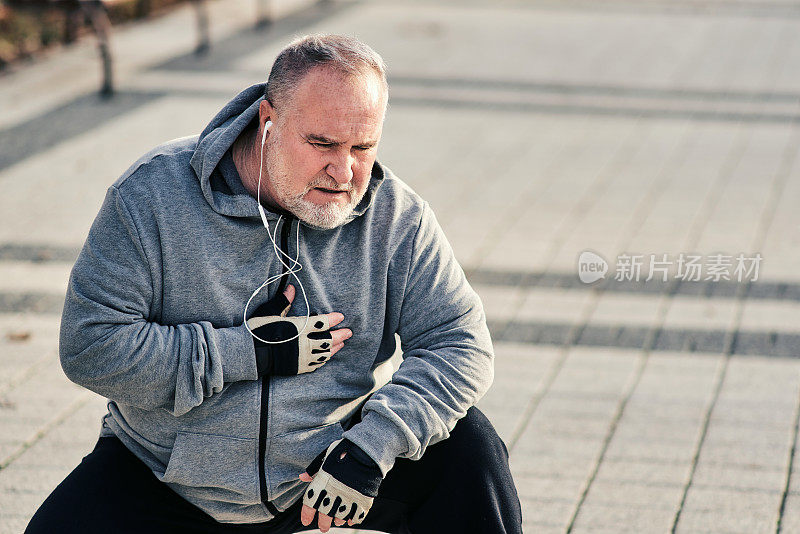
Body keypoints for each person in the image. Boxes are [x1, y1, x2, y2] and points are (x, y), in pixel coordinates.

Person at [26, 34, 522, 533]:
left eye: (362, 147)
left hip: (324, 473)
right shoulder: (152, 198)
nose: (343, 170)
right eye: (322, 143)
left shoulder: (396, 218)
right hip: (164, 477)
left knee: (470, 451)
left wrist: (368, 450)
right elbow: (90, 345)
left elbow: (461, 344)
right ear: (268, 122)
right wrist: (250, 352)